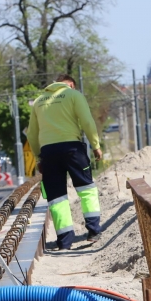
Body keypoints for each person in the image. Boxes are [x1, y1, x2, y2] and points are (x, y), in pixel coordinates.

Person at [27, 73, 103, 250]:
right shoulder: (74, 95)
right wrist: (95, 145)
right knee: (86, 188)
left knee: (56, 197)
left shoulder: (39, 101)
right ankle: (93, 231)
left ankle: (65, 241)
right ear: (70, 84)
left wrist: (39, 157)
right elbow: (87, 121)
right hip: (73, 149)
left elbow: (31, 133)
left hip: (49, 152)